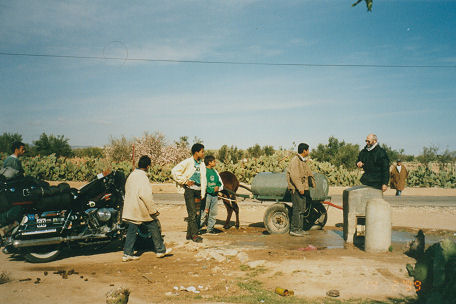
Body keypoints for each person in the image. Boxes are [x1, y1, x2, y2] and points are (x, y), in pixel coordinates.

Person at [121, 155, 172, 262]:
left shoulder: (132, 175)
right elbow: (146, 195)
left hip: (131, 207)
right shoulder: (143, 177)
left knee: (132, 229)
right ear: (148, 166)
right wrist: (152, 210)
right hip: (141, 208)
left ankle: (127, 253)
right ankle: (160, 250)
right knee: (154, 226)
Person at [171, 143, 206, 243]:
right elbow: (174, 171)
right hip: (190, 191)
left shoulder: (202, 164)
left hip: (198, 191)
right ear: (196, 152)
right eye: (202, 151)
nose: (203, 153)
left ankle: (189, 234)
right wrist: (185, 181)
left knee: (197, 213)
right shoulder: (188, 162)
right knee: (192, 213)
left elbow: (203, 179)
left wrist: (203, 192)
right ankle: (195, 235)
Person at [286, 143, 315, 237]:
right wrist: (300, 188)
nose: (308, 152)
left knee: (301, 209)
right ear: (304, 151)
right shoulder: (295, 161)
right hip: (297, 190)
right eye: (308, 150)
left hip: (302, 189)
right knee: (297, 209)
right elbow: (294, 176)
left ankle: (300, 229)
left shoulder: (301, 161)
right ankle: (294, 229)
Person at [200, 155, 223, 234]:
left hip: (215, 195)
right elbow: (204, 183)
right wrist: (211, 189)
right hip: (208, 195)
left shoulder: (214, 171)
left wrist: (218, 186)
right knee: (205, 212)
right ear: (209, 163)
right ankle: (198, 228)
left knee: (213, 212)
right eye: (214, 161)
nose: (215, 162)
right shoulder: (204, 171)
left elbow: (219, 182)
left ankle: (210, 229)